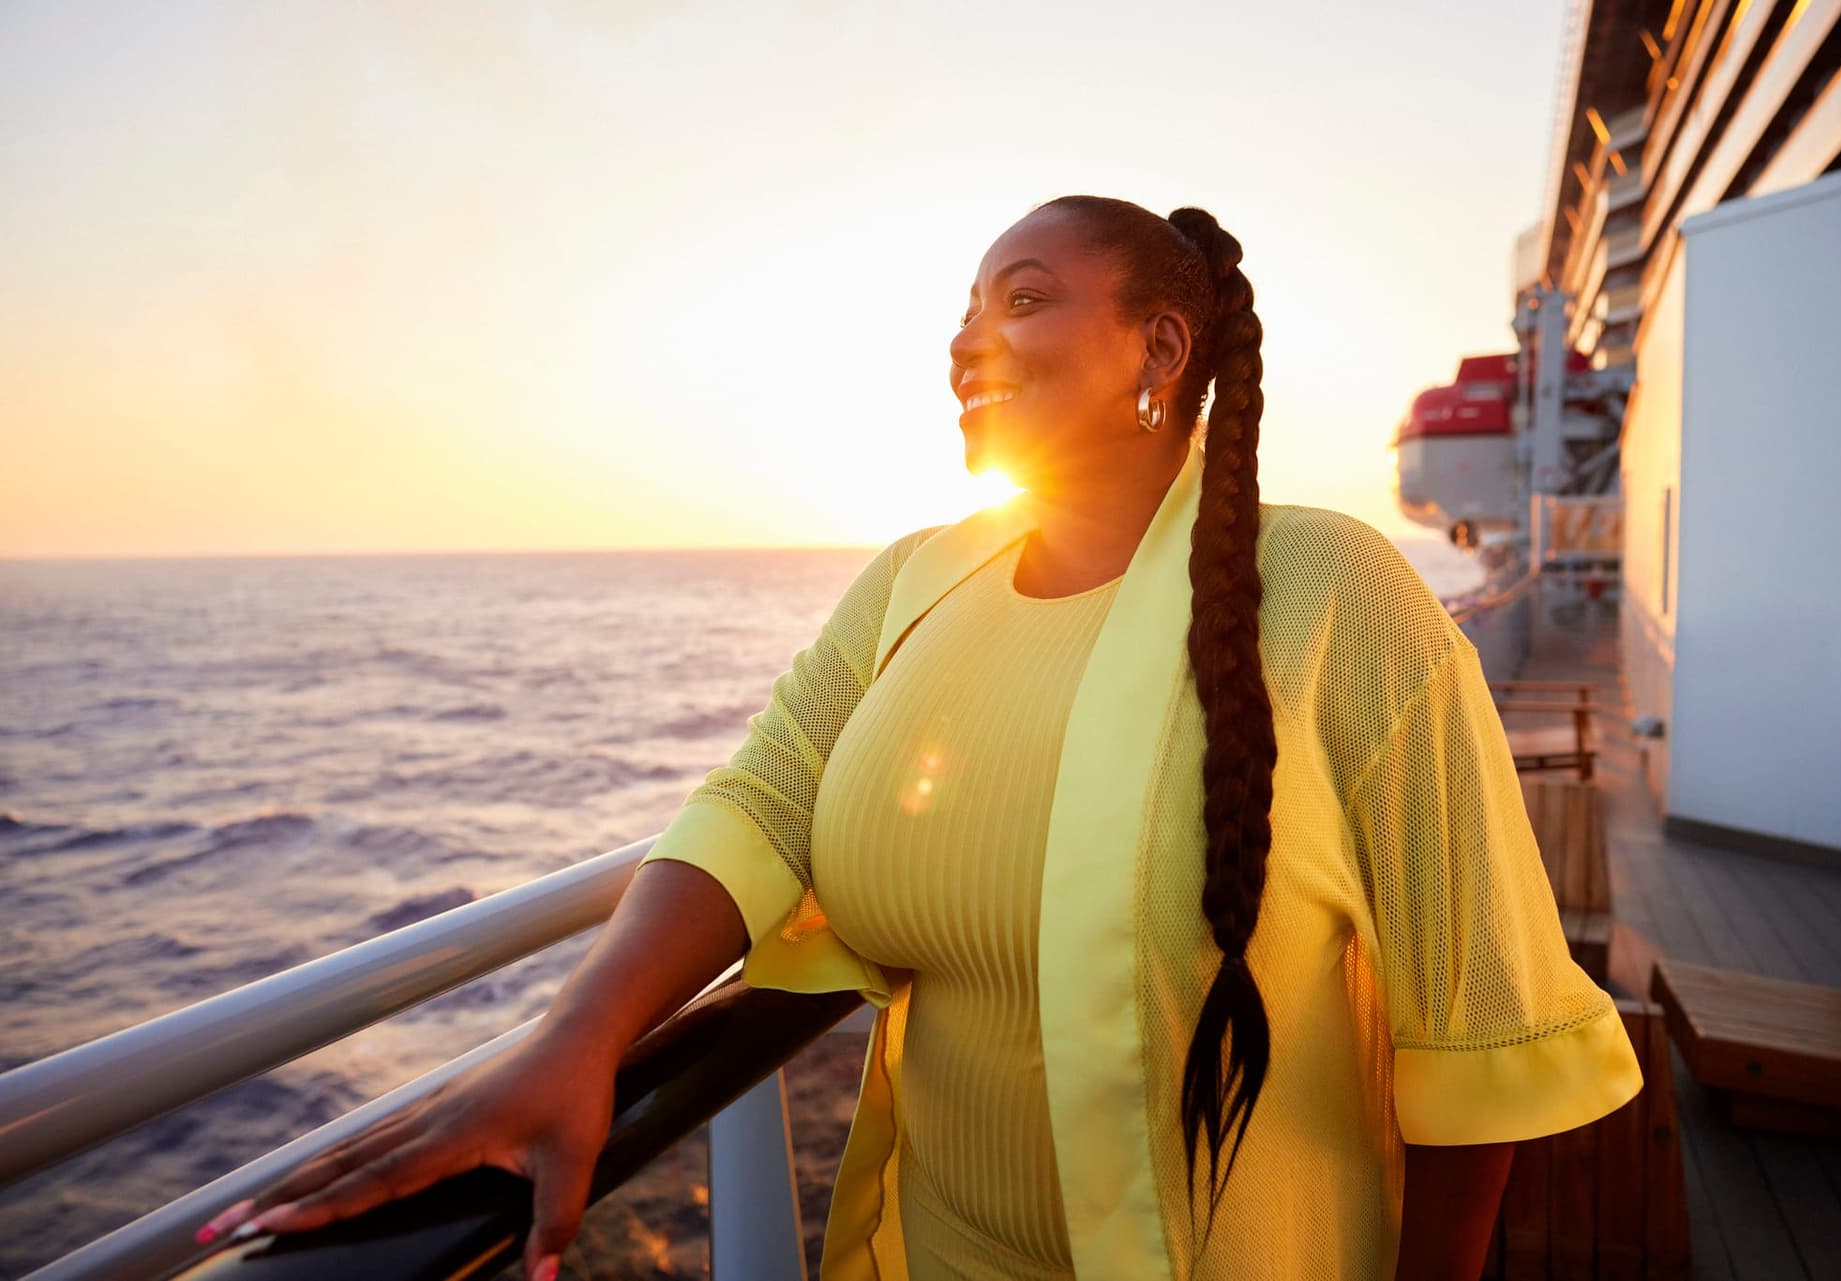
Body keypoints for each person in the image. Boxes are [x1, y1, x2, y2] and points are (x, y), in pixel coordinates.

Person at [198, 196, 1644, 1280]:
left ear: (1158, 347)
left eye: (1025, 298)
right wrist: (580, 1036)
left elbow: (1477, 1028)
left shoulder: (1334, 592)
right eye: (965, 308)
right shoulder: (914, 580)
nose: (969, 337)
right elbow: (762, 801)